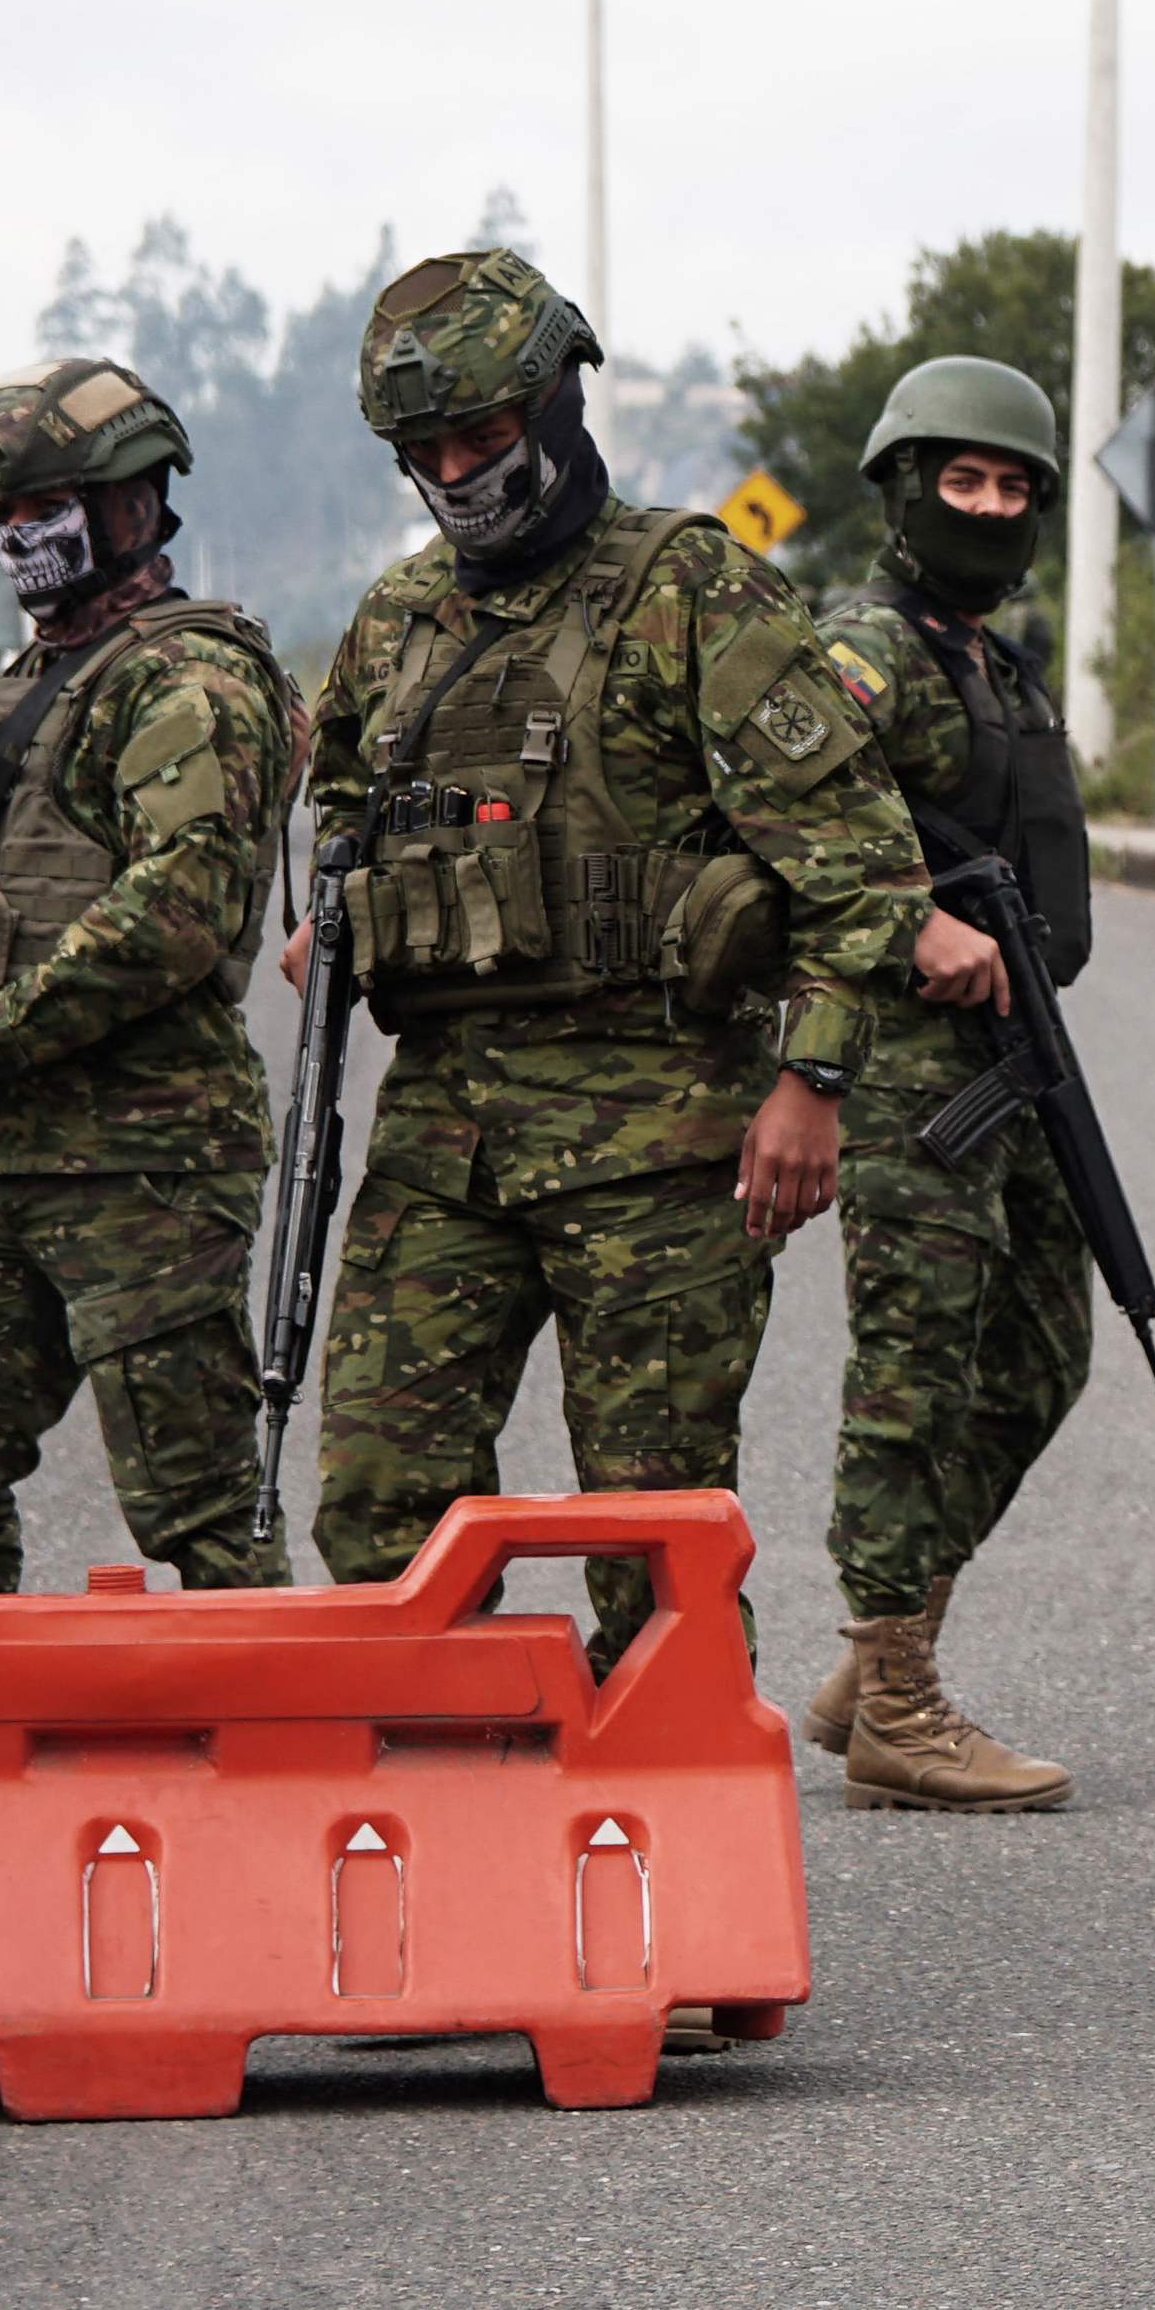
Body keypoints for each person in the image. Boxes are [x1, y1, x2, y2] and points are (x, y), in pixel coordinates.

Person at [297, 247, 929, 1669]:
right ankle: (442, 1824)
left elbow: (861, 864)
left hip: (657, 1147)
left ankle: (673, 1858)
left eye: (485, 436)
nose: (459, 472)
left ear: (559, 404)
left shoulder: (690, 592)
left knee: (655, 1544)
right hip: (442, 1141)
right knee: (379, 1518)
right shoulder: (401, 622)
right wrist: (336, 906)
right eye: (428, 451)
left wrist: (810, 1083)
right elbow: (346, 800)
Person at [0, 357, 297, 1595]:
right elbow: (26, 878)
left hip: (148, 1159)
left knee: (199, 1505)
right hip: (11, 1154)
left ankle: (266, 1771)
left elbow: (183, 909)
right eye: (3, 520)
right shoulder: (34, 686)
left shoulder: (190, 682)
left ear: (135, 507)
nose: (21, 539)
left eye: (44, 509)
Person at [795, 355, 1096, 1812]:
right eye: (961, 481)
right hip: (908, 1062)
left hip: (1008, 1054)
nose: (987, 506)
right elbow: (776, 813)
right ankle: (899, 1702)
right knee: (911, 1374)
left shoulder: (988, 653)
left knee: (1045, 1348)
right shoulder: (861, 649)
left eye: (1011, 486)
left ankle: (879, 1645)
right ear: (905, 490)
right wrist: (904, 925)